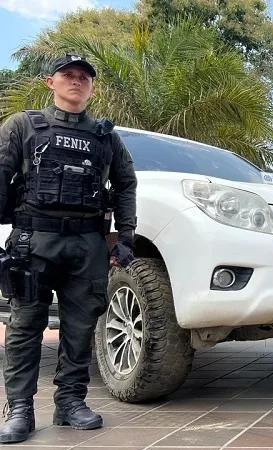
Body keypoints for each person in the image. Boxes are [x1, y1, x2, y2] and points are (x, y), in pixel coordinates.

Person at [0, 53, 138, 444]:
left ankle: (71, 402)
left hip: (87, 244)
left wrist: (125, 237)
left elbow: (126, 185)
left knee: (79, 328)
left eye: (83, 77)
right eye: (68, 75)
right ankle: (21, 408)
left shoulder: (106, 136)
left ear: (92, 87)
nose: (76, 81)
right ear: (51, 82)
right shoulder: (23, 125)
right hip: (33, 242)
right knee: (26, 325)